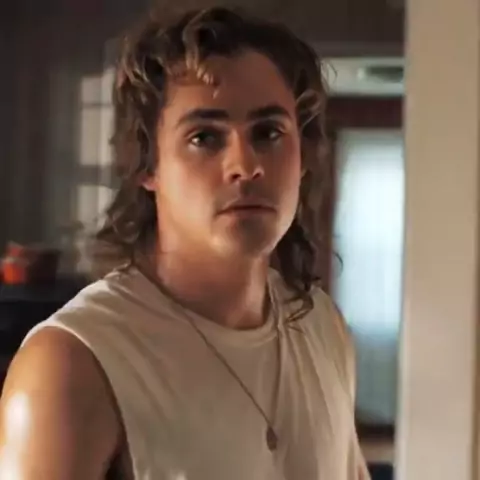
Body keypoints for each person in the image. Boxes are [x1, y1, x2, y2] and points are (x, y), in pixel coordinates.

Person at [0, 6, 370, 480]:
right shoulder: (72, 364)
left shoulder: (323, 328)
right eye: (204, 138)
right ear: (147, 166)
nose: (246, 165)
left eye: (269, 132)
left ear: (302, 158)